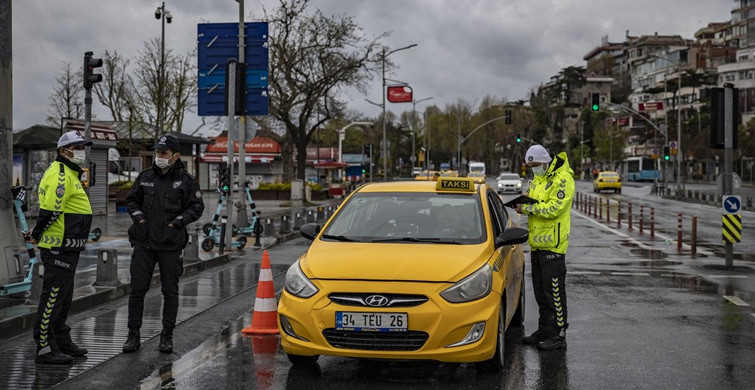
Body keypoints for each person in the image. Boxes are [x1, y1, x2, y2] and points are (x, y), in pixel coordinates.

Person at [122, 134, 205, 354]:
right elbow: (131, 200)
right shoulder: (145, 177)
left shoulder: (186, 181)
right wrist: (139, 219)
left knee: (170, 291)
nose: (159, 156)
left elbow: (196, 207)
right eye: (157, 152)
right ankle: (133, 335)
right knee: (137, 291)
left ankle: (166, 336)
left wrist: (177, 222)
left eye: (164, 153)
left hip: (170, 245)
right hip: (144, 243)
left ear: (175, 155)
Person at [28, 131, 93, 364]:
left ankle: (61, 340)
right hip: (57, 247)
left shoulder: (71, 173)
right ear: (63, 151)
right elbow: (51, 211)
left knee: (63, 298)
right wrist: (36, 234)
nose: (80, 151)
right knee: (53, 296)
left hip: (69, 246)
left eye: (82, 147)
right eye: (76, 147)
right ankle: (44, 347)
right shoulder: (60, 174)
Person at [516, 144, 574, 350]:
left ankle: (559, 334)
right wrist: (522, 205)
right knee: (541, 292)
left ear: (546, 161)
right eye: (531, 165)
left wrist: (528, 207)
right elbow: (533, 202)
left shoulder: (563, 179)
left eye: (537, 164)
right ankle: (545, 329)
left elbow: (555, 208)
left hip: (554, 246)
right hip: (537, 244)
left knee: (555, 293)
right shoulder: (538, 179)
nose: (534, 168)